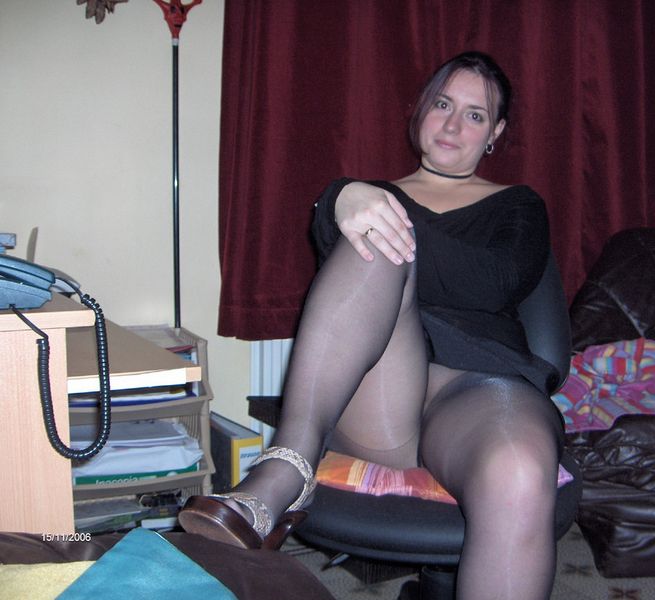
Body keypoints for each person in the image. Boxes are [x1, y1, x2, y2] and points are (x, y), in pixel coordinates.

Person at [179, 51, 565, 600]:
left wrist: (355, 200)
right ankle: (288, 467)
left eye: (475, 115)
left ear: (495, 133)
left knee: (519, 470)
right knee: (378, 240)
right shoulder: (366, 202)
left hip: (479, 389)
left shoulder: (517, 205)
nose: (453, 125)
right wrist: (343, 197)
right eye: (443, 104)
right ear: (422, 109)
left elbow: (494, 284)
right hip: (378, 396)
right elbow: (341, 284)